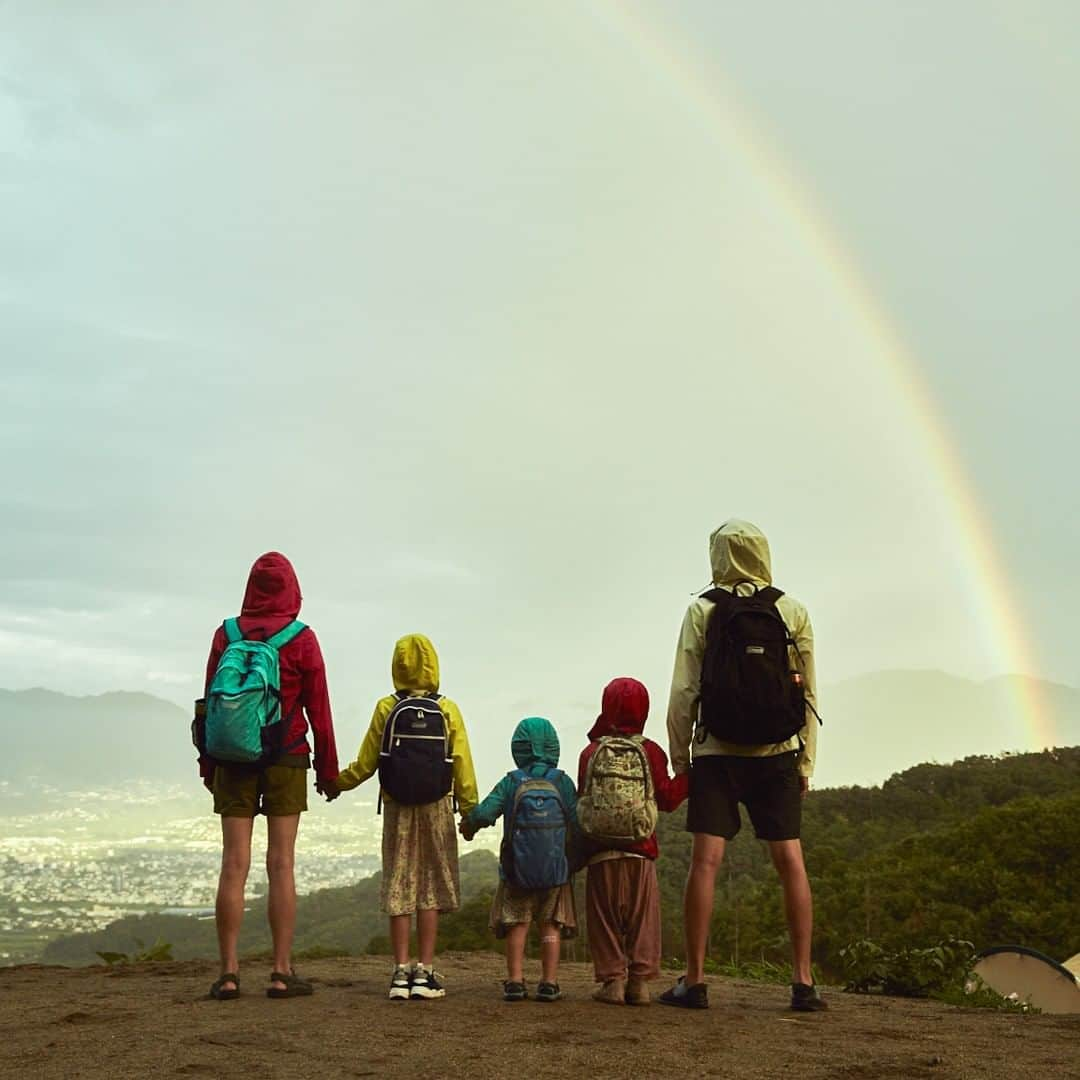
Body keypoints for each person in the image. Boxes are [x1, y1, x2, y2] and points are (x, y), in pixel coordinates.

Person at [661, 519, 826, 1012]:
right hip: (778, 751)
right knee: (790, 861)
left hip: (717, 752)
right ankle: (803, 981)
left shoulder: (703, 610)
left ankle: (694, 979)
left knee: (705, 862)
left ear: (718, 556)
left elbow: (684, 689)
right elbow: (810, 690)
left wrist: (680, 756)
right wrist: (807, 761)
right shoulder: (791, 610)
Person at [198, 551, 339, 1001]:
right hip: (287, 755)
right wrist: (327, 770)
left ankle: (229, 972)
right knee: (281, 864)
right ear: (292, 589)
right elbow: (319, 709)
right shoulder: (302, 639)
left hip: (232, 759)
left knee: (233, 865)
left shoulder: (227, 634)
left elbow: (211, 702)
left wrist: (208, 763)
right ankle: (281, 971)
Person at [325, 634, 477, 1001]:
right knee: (429, 888)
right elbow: (462, 764)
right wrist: (471, 811)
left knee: (399, 884)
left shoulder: (386, 707)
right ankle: (424, 973)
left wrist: (336, 784)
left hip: (398, 808)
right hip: (437, 807)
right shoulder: (447, 709)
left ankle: (399, 972)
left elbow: (366, 762)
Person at [577, 677, 688, 1005]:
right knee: (643, 920)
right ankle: (639, 984)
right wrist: (689, 778)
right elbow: (666, 799)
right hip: (640, 851)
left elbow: (584, 796)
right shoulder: (650, 751)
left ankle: (612, 982)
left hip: (600, 853)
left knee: (605, 921)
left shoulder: (591, 752)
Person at [460, 716, 578, 1003]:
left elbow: (485, 813)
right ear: (553, 746)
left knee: (517, 922)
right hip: (555, 871)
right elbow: (578, 821)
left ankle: (515, 981)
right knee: (551, 925)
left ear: (518, 747)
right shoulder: (562, 782)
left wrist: (468, 826)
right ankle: (549, 983)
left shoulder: (512, 781)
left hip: (517, 870)